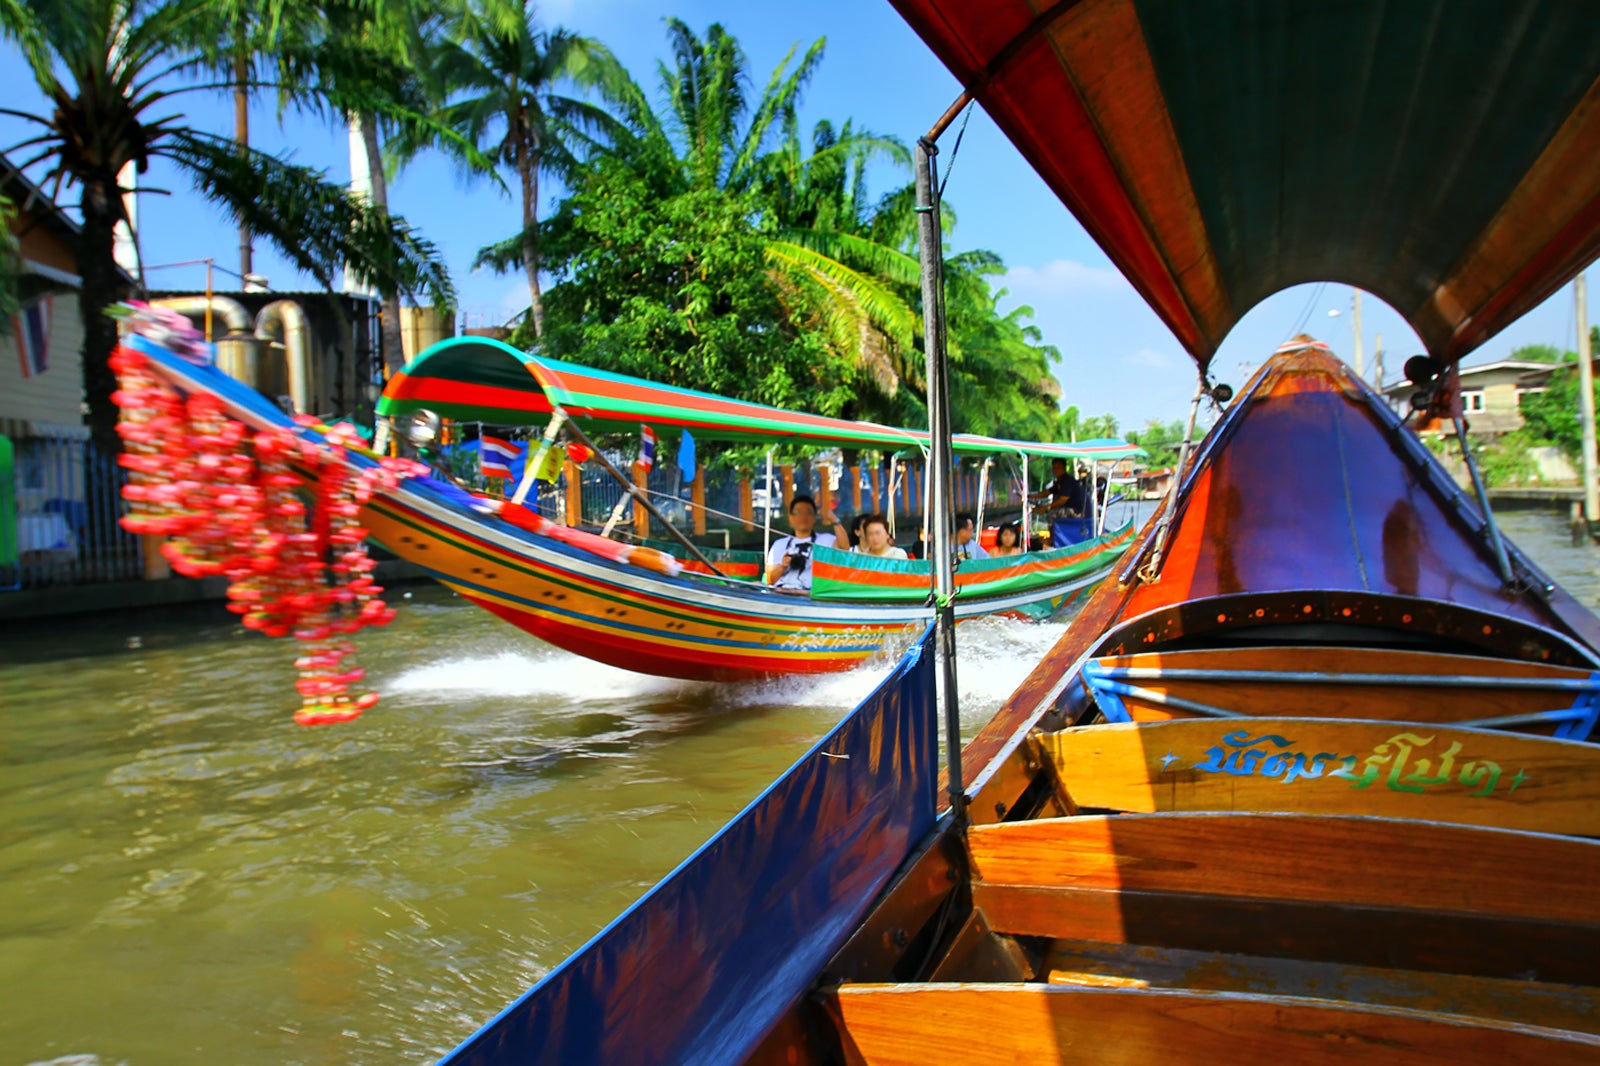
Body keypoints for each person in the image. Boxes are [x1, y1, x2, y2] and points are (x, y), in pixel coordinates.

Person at [764, 494, 848, 592]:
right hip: (783, 593)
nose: (803, 516)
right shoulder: (780, 544)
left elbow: (845, 548)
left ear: (815, 517)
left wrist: (834, 519)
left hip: (810, 595)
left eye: (809, 512)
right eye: (798, 512)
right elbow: (770, 580)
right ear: (790, 517)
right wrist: (783, 566)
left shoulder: (825, 540)